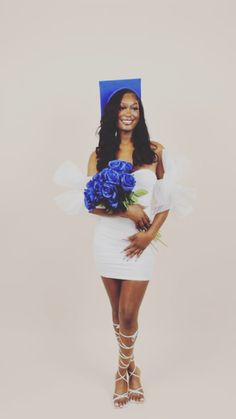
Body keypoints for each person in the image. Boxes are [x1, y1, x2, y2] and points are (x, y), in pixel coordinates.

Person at [52, 78, 196, 409]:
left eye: (135, 107)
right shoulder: (99, 154)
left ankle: (121, 371)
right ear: (112, 113)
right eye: (122, 107)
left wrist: (147, 233)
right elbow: (91, 203)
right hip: (107, 242)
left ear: (141, 113)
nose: (128, 112)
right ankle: (133, 370)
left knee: (129, 315)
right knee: (117, 315)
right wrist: (127, 210)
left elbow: (166, 201)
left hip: (140, 244)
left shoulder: (155, 150)